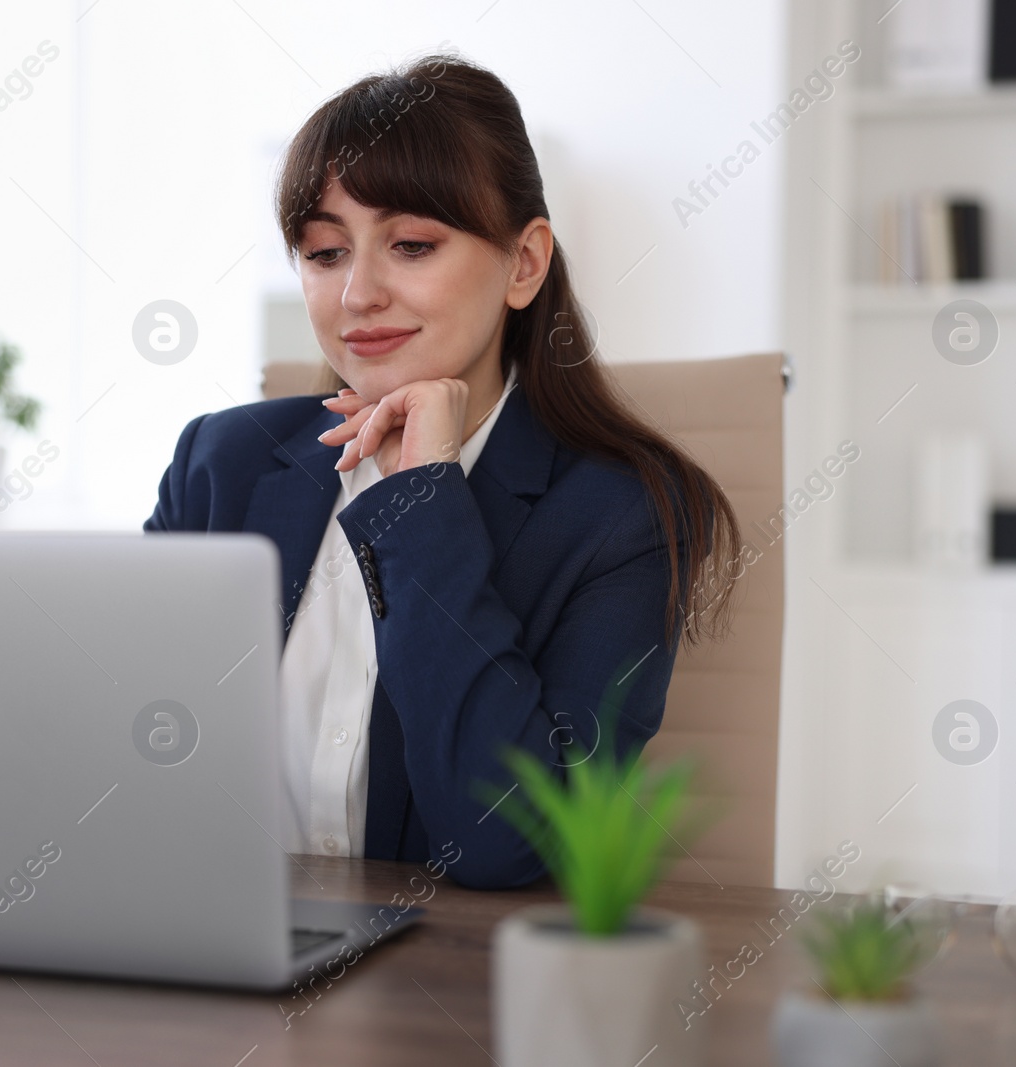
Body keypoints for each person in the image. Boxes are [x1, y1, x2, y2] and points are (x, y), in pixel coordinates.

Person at [144, 51, 739, 889]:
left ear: (524, 264)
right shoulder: (218, 463)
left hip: (450, 994)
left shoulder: (626, 515)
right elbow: (124, 769)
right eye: (323, 252)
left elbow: (515, 849)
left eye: (412, 244)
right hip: (210, 958)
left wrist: (422, 500)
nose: (357, 293)